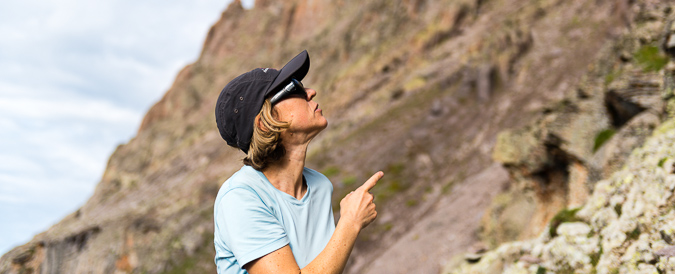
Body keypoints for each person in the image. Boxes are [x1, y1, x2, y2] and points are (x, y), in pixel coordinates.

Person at [213, 50, 383, 274]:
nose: (311, 92)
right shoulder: (240, 197)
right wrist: (350, 222)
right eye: (293, 88)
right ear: (265, 122)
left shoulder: (320, 186)